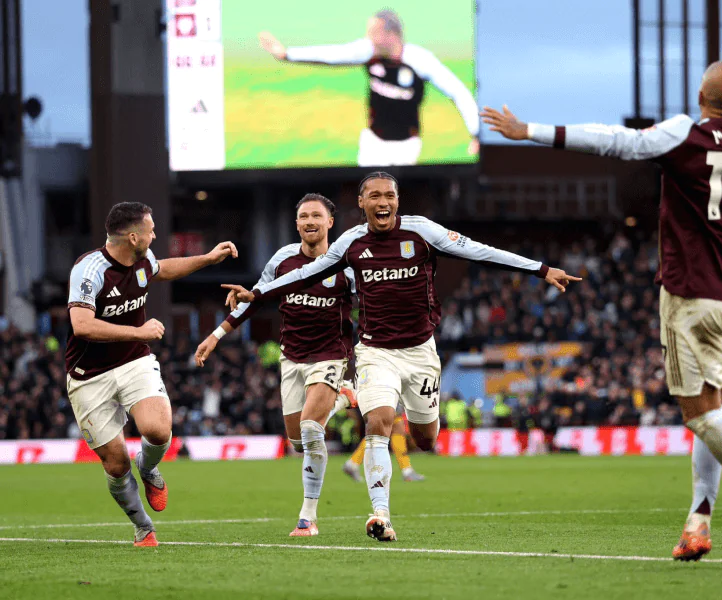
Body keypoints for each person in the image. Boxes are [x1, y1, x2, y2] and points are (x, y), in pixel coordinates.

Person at [482, 63, 722, 569]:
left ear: (699, 96)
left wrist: (530, 131)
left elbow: (614, 141)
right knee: (713, 410)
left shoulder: (685, 135)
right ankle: (698, 523)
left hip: (690, 294)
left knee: (701, 415)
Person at [222, 171, 580, 541]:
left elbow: (479, 251)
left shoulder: (421, 232)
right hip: (375, 352)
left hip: (421, 353)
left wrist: (541, 269)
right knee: (378, 422)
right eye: (374, 196)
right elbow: (307, 273)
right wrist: (257, 294)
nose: (383, 202)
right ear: (361, 203)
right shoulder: (350, 242)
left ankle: (383, 419)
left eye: (389, 195)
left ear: (397, 200)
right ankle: (381, 515)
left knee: (426, 439)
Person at [66, 202, 236, 547]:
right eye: (151, 230)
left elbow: (164, 269)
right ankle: (143, 527)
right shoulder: (89, 269)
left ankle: (147, 467)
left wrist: (207, 259)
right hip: (89, 375)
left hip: (134, 361)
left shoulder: (142, 259)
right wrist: (139, 332)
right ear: (133, 237)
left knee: (158, 430)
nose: (155, 235)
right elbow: (81, 325)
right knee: (116, 464)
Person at [194, 194, 356, 537]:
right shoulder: (282, 259)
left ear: (330, 222)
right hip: (292, 358)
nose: (310, 221)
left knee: (311, 430)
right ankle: (343, 397)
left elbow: (370, 303)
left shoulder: (344, 263)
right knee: (297, 442)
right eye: (303, 216)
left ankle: (307, 517)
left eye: (316, 215)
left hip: (330, 353)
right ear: (296, 224)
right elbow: (255, 298)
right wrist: (216, 335)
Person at [258, 8, 479, 167]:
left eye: (373, 33)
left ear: (391, 35)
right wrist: (287, 54)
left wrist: (476, 132)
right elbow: (332, 55)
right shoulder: (369, 52)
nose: (368, 38)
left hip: (406, 146)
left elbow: (457, 92)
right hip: (373, 142)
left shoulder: (419, 60)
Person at [343, 407, 426, 483]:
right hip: (383, 400)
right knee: (381, 431)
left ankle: (353, 463)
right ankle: (407, 470)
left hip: (384, 401)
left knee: (395, 426)